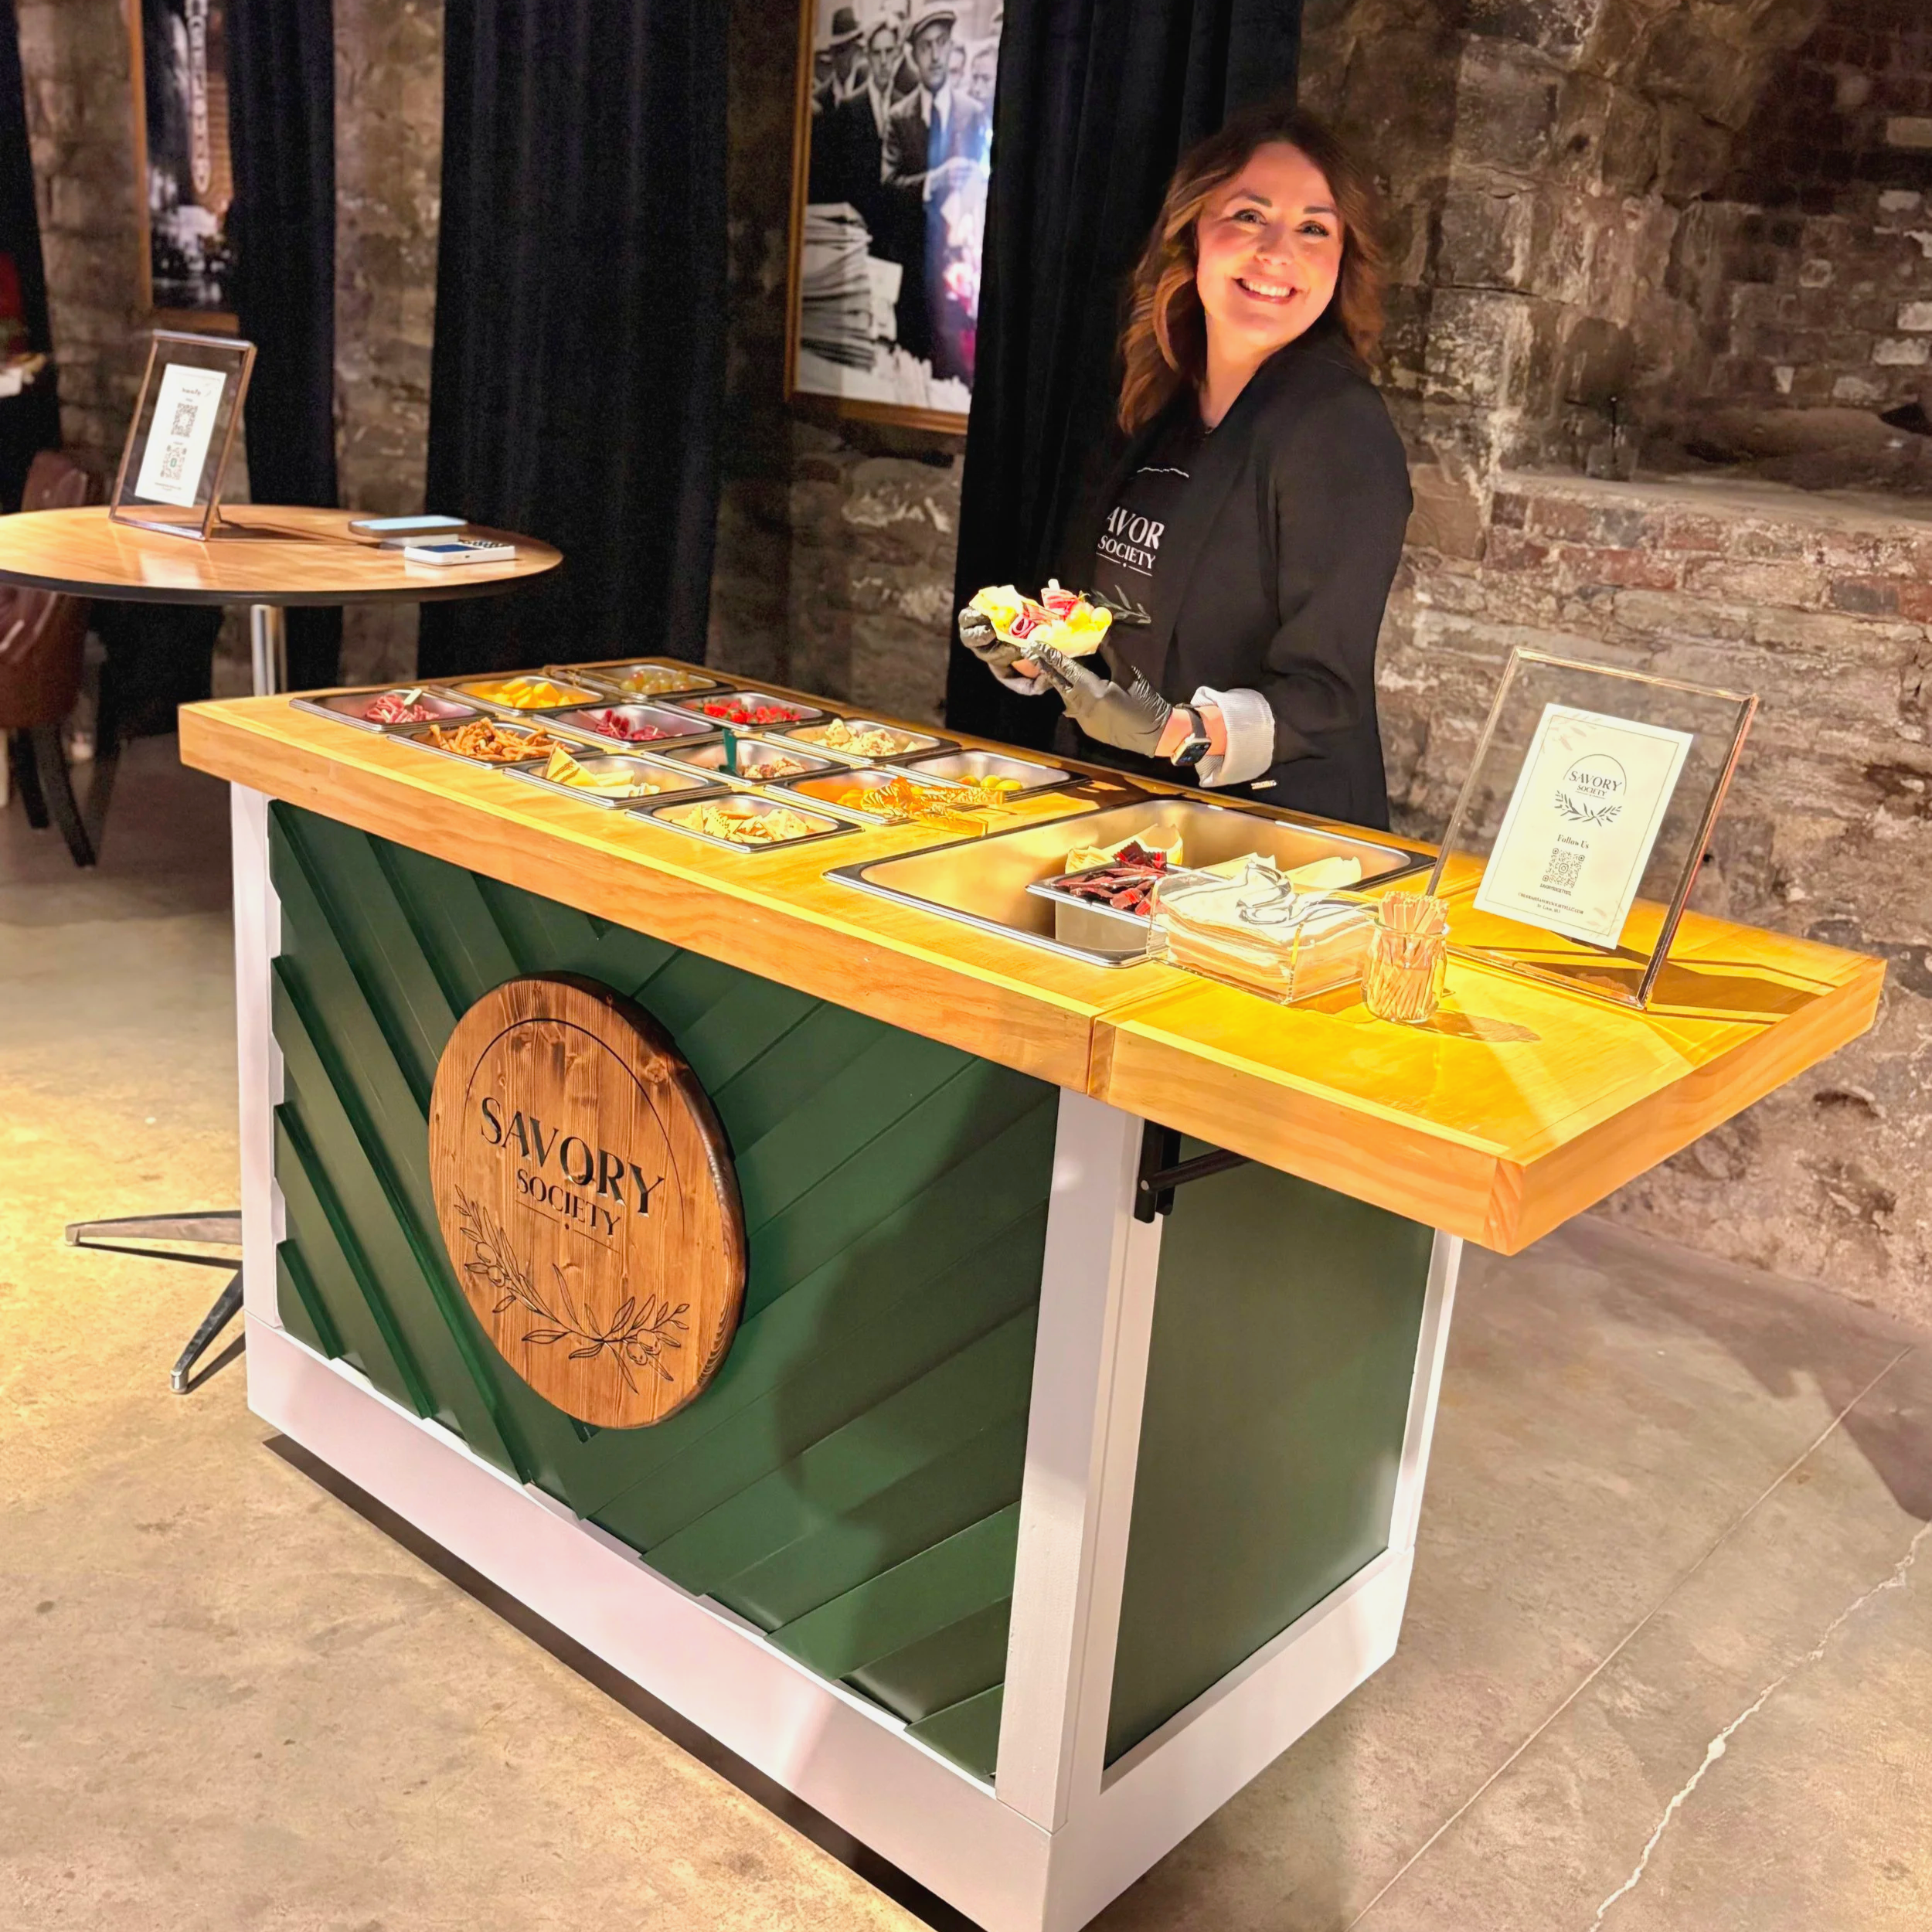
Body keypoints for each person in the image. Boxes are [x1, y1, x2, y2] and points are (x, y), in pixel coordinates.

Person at [957, 105, 1411, 829]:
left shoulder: (1337, 426)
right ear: (1193, 231)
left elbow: (1327, 692)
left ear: (1342, 261)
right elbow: (1101, 618)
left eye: (1313, 228)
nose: (1276, 252)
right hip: (1132, 814)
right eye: (1249, 215)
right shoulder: (1154, 396)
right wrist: (1028, 647)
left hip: (1278, 843)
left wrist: (1177, 731)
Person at [883, 8, 989, 375]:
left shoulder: (972, 113)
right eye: (925, 47)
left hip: (957, 279)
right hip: (912, 269)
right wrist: (936, 179)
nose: (935, 55)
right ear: (913, 57)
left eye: (942, 44)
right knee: (908, 371)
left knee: (956, 373)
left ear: (951, 47)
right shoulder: (899, 116)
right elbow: (889, 187)